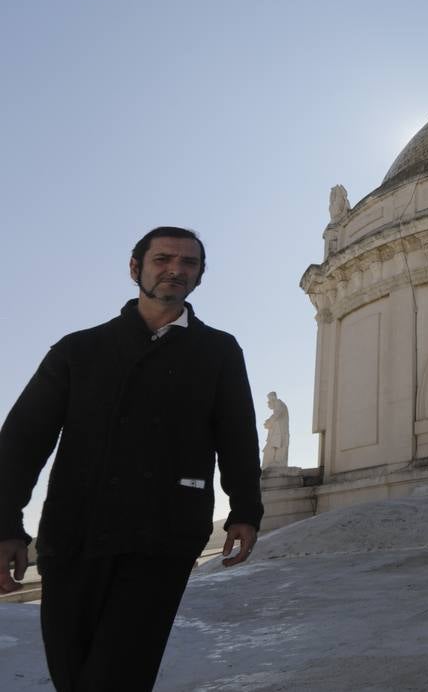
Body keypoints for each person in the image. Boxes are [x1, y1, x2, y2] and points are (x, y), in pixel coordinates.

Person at [0, 226, 263, 691]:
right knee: (72, 672)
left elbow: (237, 435)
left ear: (200, 276)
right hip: (73, 535)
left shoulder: (219, 351)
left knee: (118, 676)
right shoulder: (77, 350)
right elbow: (22, 441)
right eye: (163, 259)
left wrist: (245, 508)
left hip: (163, 537)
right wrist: (5, 525)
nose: (175, 270)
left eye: (188, 263)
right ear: (135, 268)